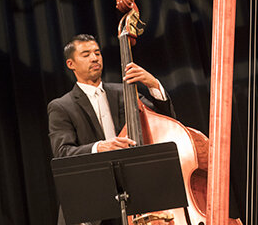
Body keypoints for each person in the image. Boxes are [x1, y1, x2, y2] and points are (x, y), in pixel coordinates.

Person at [48, 34, 175, 224]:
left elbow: (165, 121)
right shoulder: (61, 106)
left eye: (97, 53)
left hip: (134, 196)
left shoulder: (125, 92)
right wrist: (99, 147)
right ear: (71, 64)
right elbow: (63, 152)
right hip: (91, 204)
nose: (94, 58)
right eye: (85, 54)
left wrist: (153, 84)